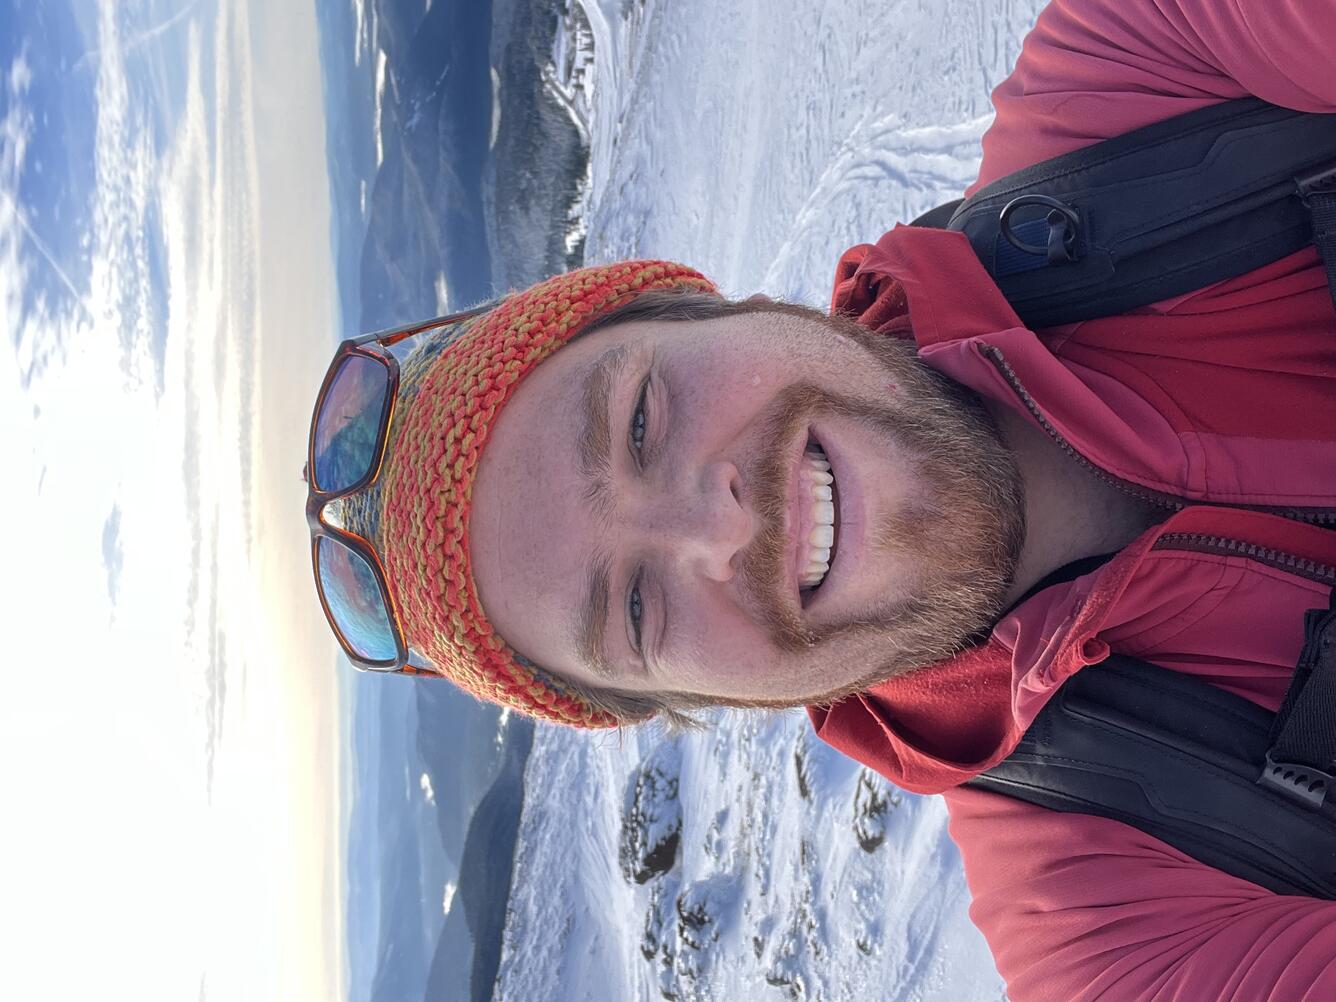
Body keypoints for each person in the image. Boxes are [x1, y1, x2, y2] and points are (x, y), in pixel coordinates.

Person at [313, 0, 1336, 997]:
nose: (719, 527)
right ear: (712, 701)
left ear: (721, 307)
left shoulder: (1149, 69)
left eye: (637, 421)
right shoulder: (1123, 939)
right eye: (635, 609)